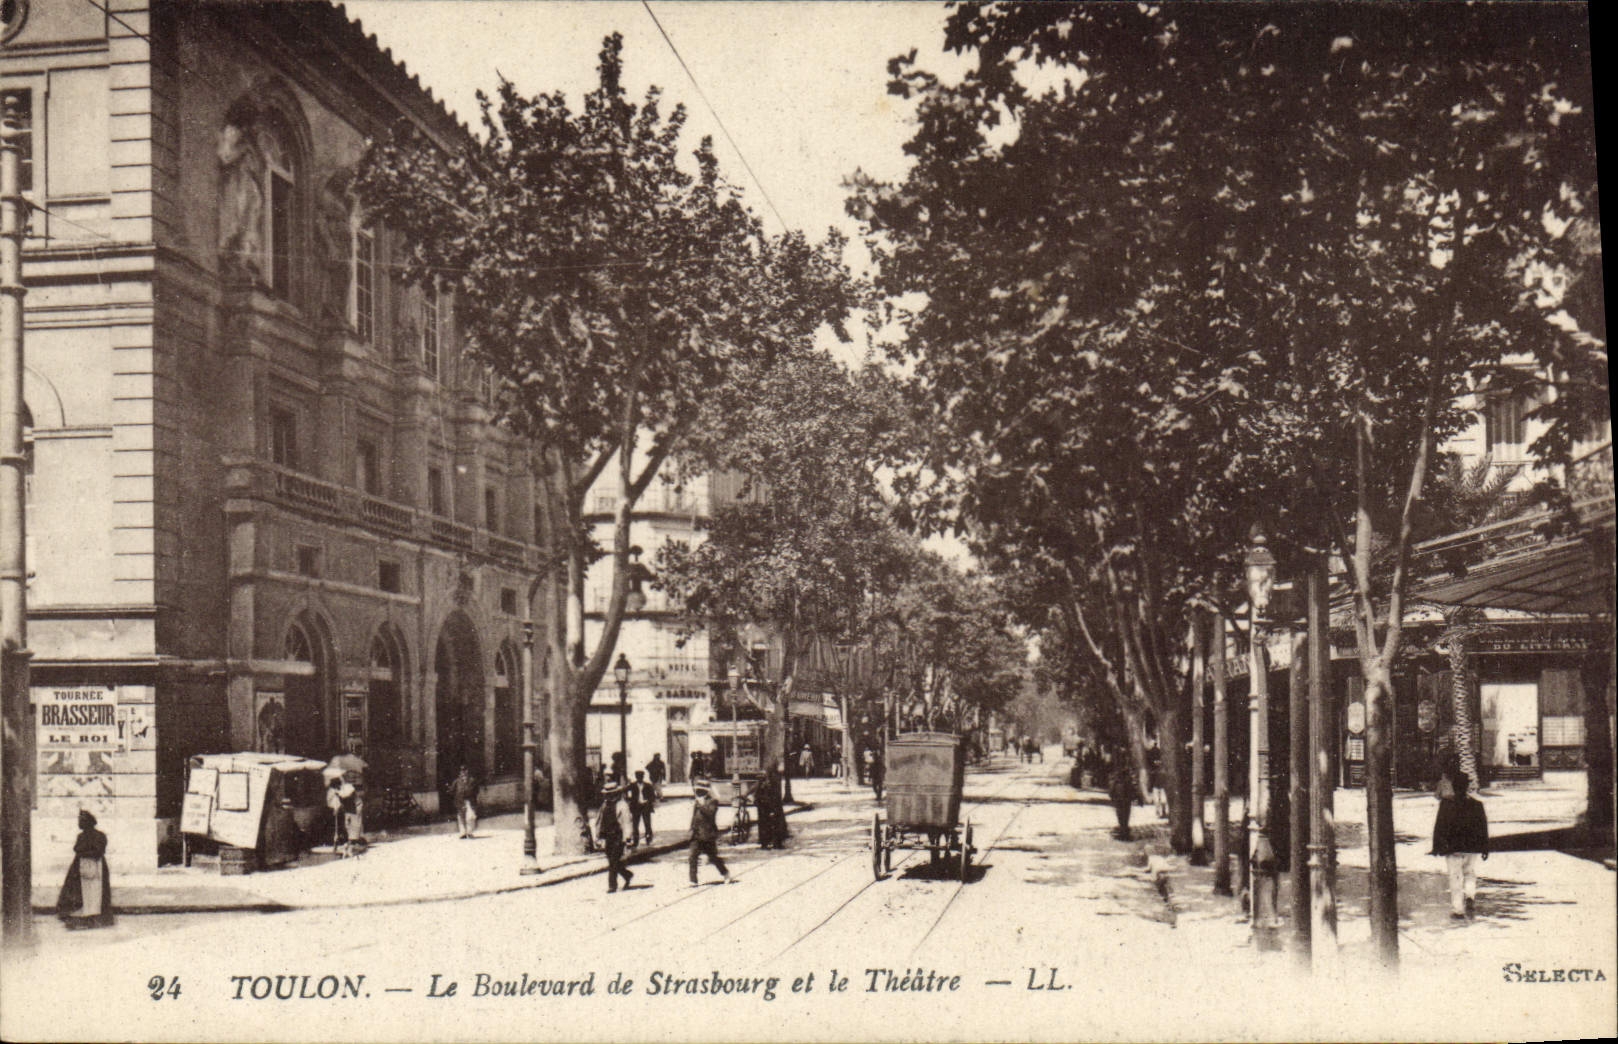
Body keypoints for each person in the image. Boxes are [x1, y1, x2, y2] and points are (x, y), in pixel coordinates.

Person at [1431, 767, 1489, 920]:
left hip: (1453, 847)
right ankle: (1470, 895)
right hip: (1471, 847)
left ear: (1454, 786)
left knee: (1455, 877)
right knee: (1469, 872)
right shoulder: (1477, 805)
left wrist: (1437, 847)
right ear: (1467, 786)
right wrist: (1485, 847)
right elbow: (1482, 827)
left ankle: (1458, 910)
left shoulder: (1446, 805)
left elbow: (1440, 827)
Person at [57, 810, 114, 929]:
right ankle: (80, 918)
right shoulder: (81, 836)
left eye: (81, 820)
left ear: (88, 822)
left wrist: (84, 851)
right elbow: (77, 848)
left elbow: (98, 851)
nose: (79, 823)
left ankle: (95, 918)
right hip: (81, 865)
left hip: (96, 865)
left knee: (96, 892)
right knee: (77, 890)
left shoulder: (99, 836)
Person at [687, 777, 733, 886]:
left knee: (713, 857)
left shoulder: (712, 801)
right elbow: (695, 816)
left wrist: (701, 805)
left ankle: (725, 872)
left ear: (705, 791)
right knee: (692, 856)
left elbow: (710, 814)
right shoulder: (697, 802)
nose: (697, 792)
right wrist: (692, 827)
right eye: (697, 790)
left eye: (700, 790)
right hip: (696, 834)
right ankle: (693, 880)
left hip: (708, 835)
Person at [596, 780, 634, 894]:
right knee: (612, 861)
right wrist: (598, 837)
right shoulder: (604, 805)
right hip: (608, 836)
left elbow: (627, 822)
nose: (608, 796)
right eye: (607, 794)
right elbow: (599, 821)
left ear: (616, 793)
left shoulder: (622, 805)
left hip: (618, 836)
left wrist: (627, 838)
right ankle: (627, 875)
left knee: (613, 861)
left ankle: (612, 885)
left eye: (611, 794)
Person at [756, 763, 788, 849]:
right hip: (768, 806)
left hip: (764, 806)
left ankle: (766, 843)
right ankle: (774, 843)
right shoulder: (770, 783)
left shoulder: (765, 783)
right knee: (773, 824)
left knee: (765, 825)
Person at [1109, 747, 1136, 841]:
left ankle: (1123, 830)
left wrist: (1112, 793)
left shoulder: (1119, 768)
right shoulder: (1124, 767)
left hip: (1121, 792)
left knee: (1121, 813)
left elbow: (1114, 781)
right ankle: (1124, 830)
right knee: (1124, 813)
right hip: (1124, 793)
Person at [627, 770, 656, 847]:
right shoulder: (632, 785)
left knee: (647, 823)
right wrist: (630, 800)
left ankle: (648, 839)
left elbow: (653, 796)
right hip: (636, 807)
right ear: (636, 777)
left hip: (645, 806)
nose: (639, 778)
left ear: (643, 777)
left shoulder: (648, 785)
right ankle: (635, 841)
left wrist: (648, 801)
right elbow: (625, 791)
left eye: (641, 777)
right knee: (635, 825)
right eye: (638, 777)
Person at [450, 764, 480, 839]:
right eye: (461, 771)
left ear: (467, 771)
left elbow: (477, 790)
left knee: (470, 817)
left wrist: (471, 795)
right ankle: (463, 833)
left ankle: (469, 833)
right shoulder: (456, 781)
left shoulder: (472, 780)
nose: (463, 773)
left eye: (465, 771)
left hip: (469, 801)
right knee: (461, 817)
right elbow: (452, 791)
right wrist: (457, 797)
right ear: (459, 773)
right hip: (460, 801)